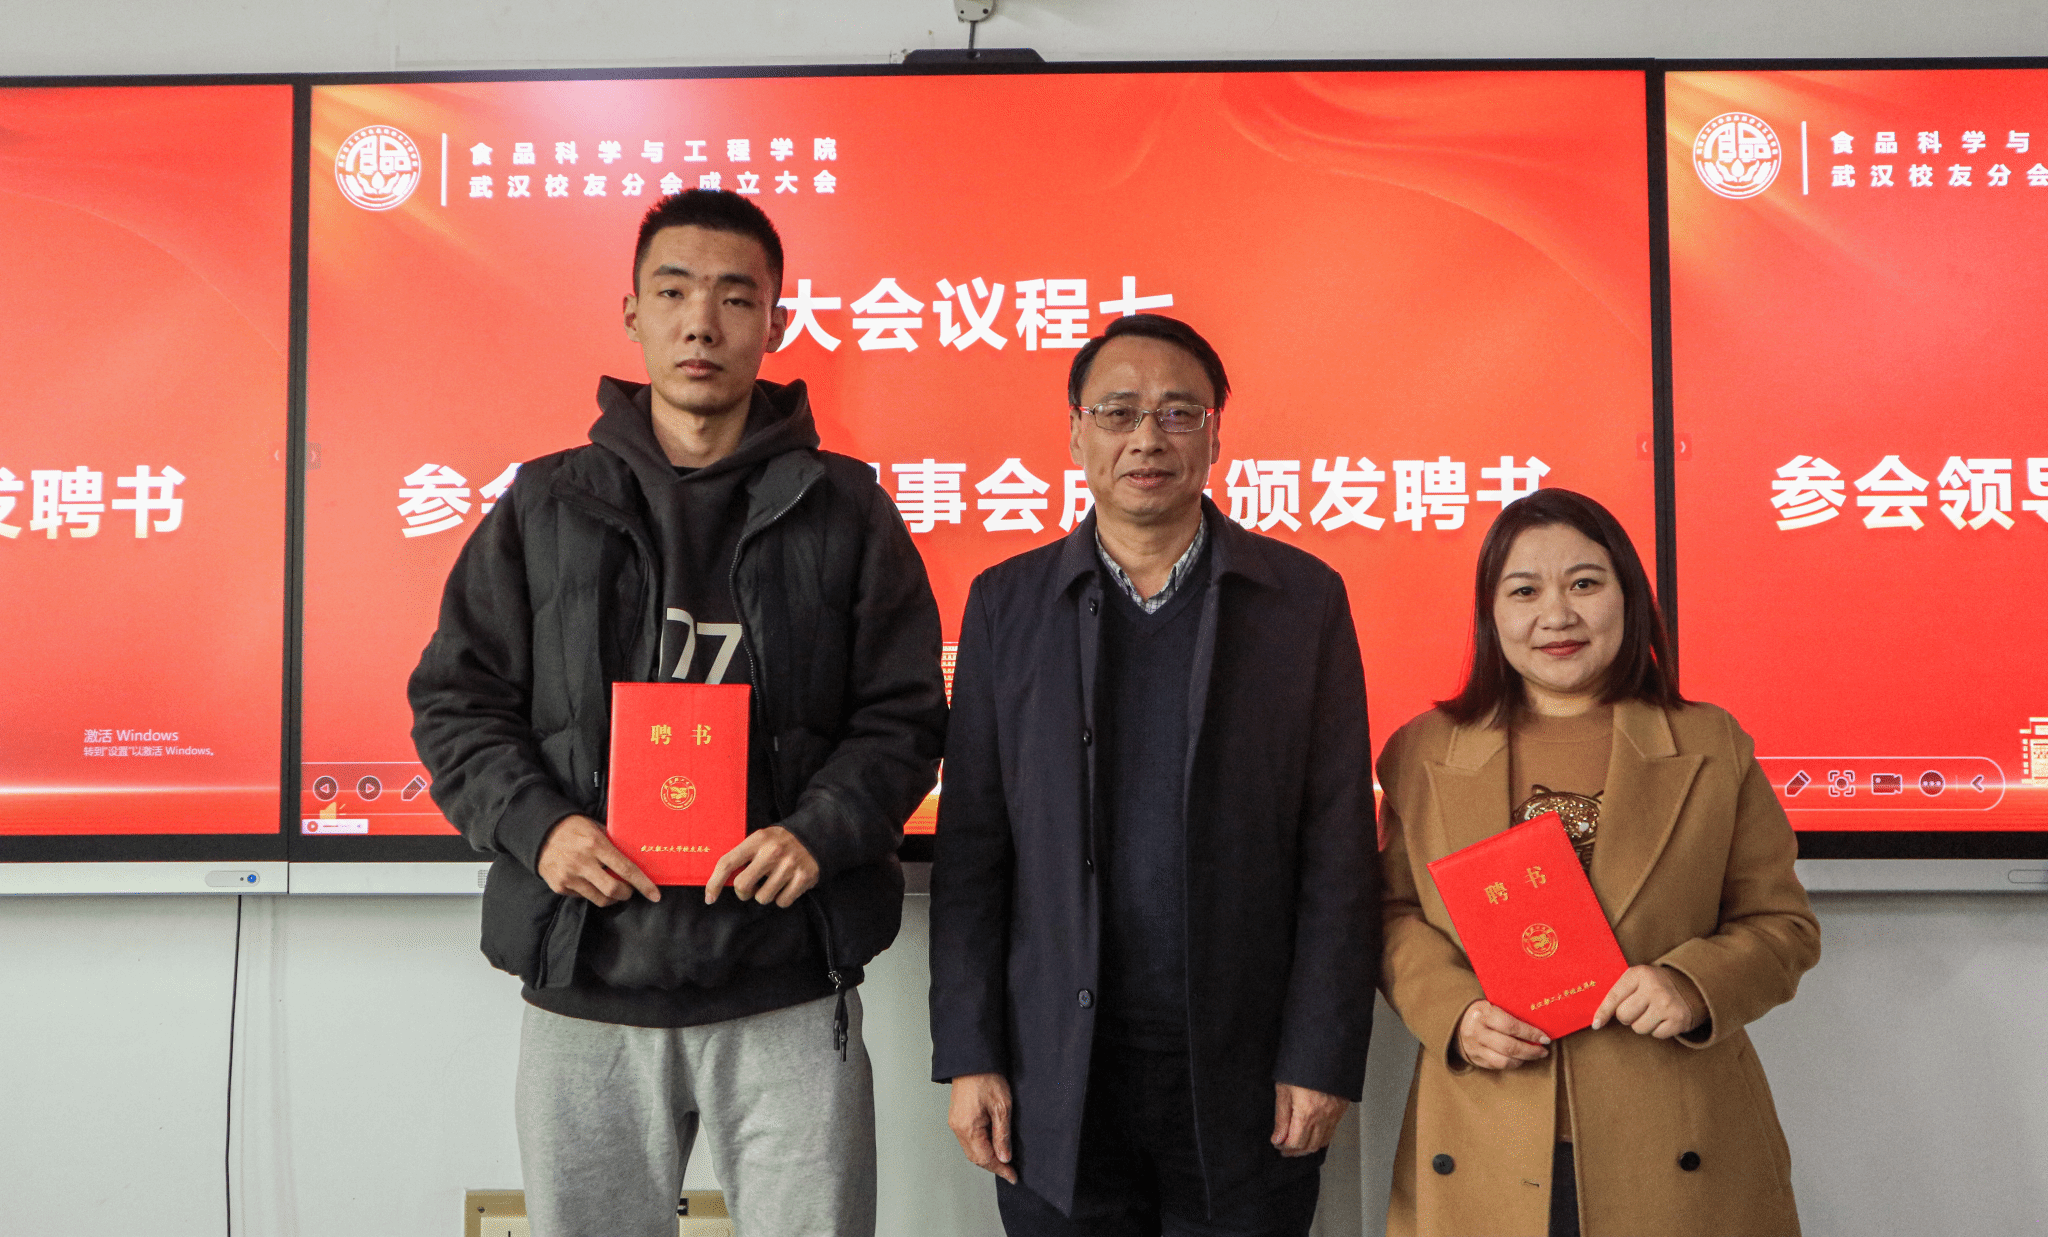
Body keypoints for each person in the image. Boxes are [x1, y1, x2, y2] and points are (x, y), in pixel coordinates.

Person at [410, 189, 947, 1237]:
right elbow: (456, 704)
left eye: (735, 298)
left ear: (775, 323)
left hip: (786, 977)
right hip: (588, 971)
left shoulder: (846, 509)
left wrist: (818, 832)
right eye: (674, 292)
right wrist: (542, 829)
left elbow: (905, 715)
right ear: (632, 314)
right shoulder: (543, 505)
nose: (702, 321)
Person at [929, 314, 1378, 1237]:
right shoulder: (1007, 604)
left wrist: (1322, 1054)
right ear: (1076, 433)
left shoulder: (1301, 601)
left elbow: (1338, 848)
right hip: (1057, 1072)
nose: (1147, 438)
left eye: (1178, 413)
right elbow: (973, 849)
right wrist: (970, 1053)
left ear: (1215, 434)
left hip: (1245, 1069)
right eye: (1119, 411)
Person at [1375, 487, 1820, 1237]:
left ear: (1629, 596)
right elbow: (1391, 915)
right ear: (1490, 612)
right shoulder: (1423, 753)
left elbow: (1783, 924)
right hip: (1487, 1127)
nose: (1557, 615)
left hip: (1674, 1132)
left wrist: (1693, 984)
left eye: (1584, 583)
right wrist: (1454, 1013)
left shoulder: (1711, 744)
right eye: (1524, 590)